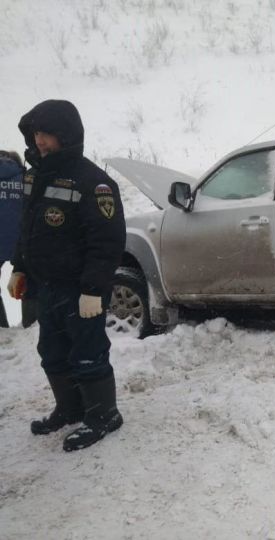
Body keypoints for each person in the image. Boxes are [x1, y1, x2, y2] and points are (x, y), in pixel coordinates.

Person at [7, 99, 126, 452]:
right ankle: (71, 407)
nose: (39, 140)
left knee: (87, 352)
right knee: (52, 350)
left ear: (66, 136)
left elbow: (106, 242)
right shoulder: (35, 174)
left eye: (47, 134)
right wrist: (20, 267)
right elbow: (27, 229)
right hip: (46, 286)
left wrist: (93, 289)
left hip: (80, 290)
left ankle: (104, 415)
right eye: (36, 133)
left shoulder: (95, 183)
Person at [0, 150, 25, 328]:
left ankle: (1, 328)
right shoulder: (26, 177)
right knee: (31, 286)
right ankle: (32, 325)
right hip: (22, 242)